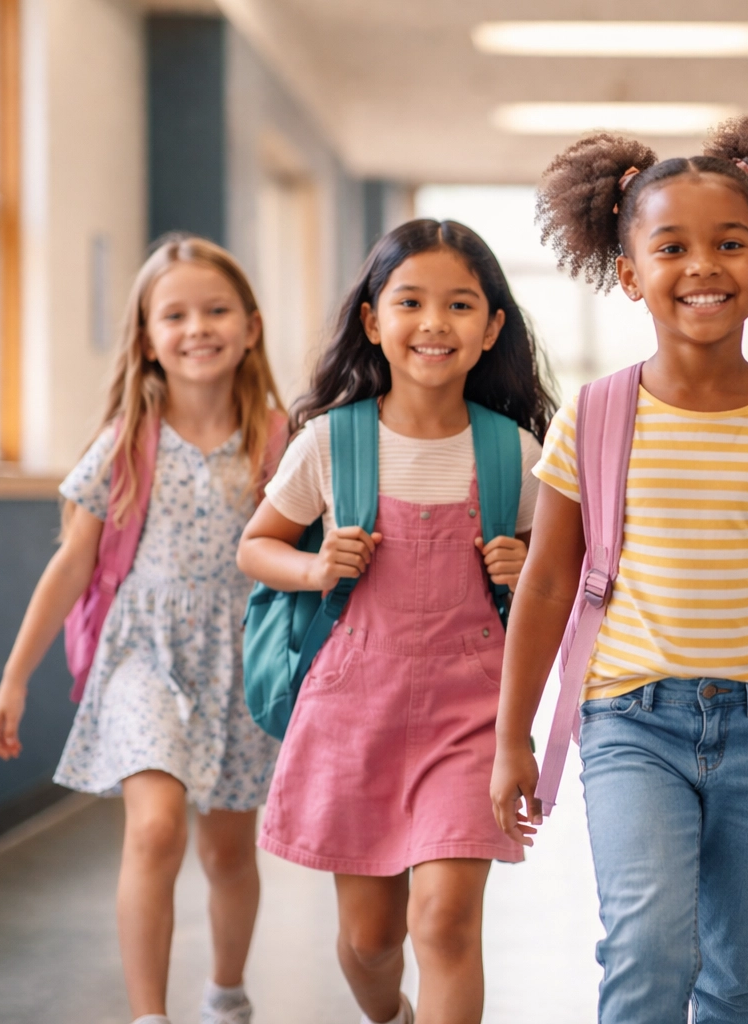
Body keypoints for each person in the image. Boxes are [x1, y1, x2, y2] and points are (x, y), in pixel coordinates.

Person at [489, 115, 748, 1024]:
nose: (703, 265)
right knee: (646, 947)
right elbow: (551, 585)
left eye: (729, 244)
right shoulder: (594, 418)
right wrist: (512, 734)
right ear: (630, 274)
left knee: (741, 974)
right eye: (671, 246)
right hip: (631, 718)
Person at [236, 219, 554, 1024]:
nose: (434, 323)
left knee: (445, 921)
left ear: (491, 330)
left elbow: (562, 582)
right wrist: (315, 567)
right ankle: (391, 1016)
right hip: (355, 710)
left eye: (460, 304)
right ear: (375, 323)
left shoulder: (515, 452)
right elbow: (256, 548)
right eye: (410, 301)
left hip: (469, 711)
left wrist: (527, 566)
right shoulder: (328, 443)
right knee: (370, 940)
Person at [0, 235, 286, 1024]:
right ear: (147, 339)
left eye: (216, 310)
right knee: (154, 829)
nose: (197, 328)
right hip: (143, 655)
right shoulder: (125, 442)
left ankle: (226, 994)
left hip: (240, 658)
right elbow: (71, 565)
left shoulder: (279, 440)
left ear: (251, 327)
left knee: (226, 850)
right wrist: (15, 678)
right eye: (174, 314)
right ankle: (148, 1016)